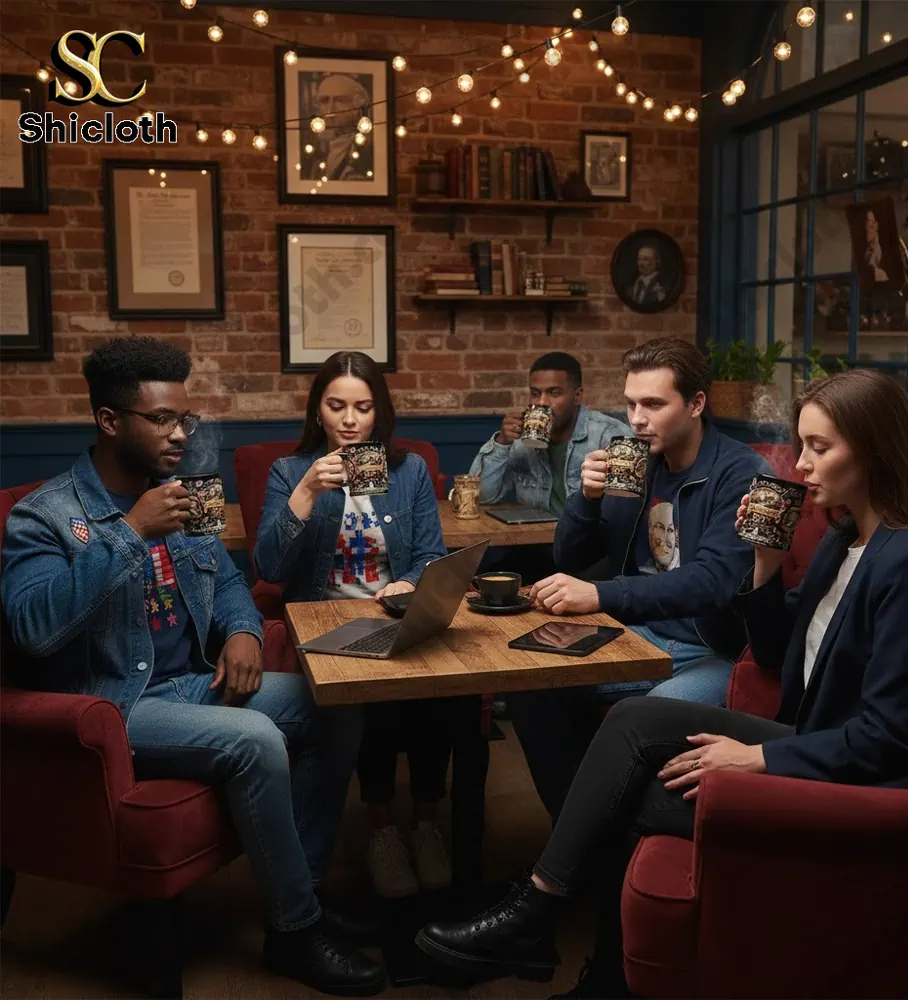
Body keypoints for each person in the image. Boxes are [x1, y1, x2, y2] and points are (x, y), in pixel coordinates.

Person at [415, 368, 908, 999]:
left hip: (851, 776)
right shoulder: (848, 540)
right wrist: (765, 564)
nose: (802, 465)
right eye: (803, 445)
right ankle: (544, 908)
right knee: (629, 724)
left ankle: (580, 952)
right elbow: (778, 652)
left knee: (638, 794)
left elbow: (890, 739)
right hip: (810, 730)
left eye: (820, 448)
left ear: (875, 449)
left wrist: (760, 756)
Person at [0, 337, 384, 997]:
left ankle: (306, 891)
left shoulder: (187, 494)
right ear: (110, 421)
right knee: (258, 738)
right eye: (161, 420)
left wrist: (239, 631)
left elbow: (227, 581)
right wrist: (130, 532)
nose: (181, 433)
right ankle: (295, 931)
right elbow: (32, 628)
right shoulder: (47, 516)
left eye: (185, 418)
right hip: (115, 703)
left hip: (191, 684)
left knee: (338, 702)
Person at [509, 337, 767, 819]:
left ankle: (586, 852)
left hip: (713, 649)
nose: (636, 419)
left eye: (653, 404)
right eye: (630, 403)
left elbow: (712, 583)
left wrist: (601, 594)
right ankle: (581, 843)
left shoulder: (740, 473)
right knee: (530, 687)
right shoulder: (637, 461)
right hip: (636, 635)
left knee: (644, 718)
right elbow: (568, 556)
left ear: (695, 404)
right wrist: (585, 499)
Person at [254, 350, 457, 901]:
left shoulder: (409, 469)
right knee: (370, 695)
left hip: (394, 615)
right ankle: (381, 830)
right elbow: (270, 569)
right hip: (327, 624)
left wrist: (408, 584)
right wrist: (305, 495)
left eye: (362, 408)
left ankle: (429, 824)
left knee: (443, 688)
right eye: (336, 406)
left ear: (378, 412)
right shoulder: (290, 472)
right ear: (317, 410)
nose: (349, 420)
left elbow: (429, 555)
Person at [470, 352, 629, 517]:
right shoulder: (521, 440)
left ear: (577, 396)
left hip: (589, 541)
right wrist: (501, 443)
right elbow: (482, 496)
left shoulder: (610, 436)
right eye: (535, 393)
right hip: (533, 538)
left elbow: (625, 511)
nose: (542, 402)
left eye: (554, 393)